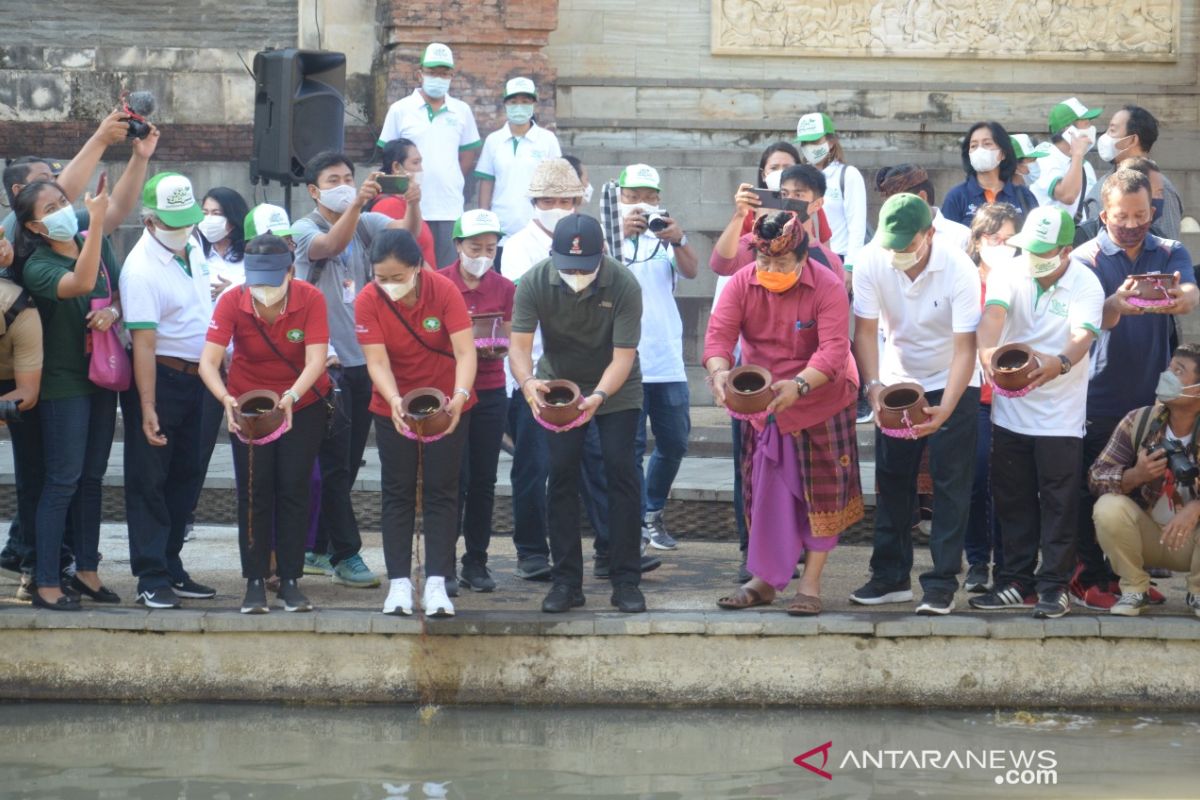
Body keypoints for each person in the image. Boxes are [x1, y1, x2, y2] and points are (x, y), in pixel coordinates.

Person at [704, 211, 861, 614]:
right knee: (765, 495)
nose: (770, 270)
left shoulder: (826, 285)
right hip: (764, 405)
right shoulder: (742, 281)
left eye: (781, 263)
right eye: (764, 262)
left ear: (803, 258)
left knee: (820, 500)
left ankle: (809, 583)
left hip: (820, 401)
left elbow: (833, 350)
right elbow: (718, 336)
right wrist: (720, 373)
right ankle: (765, 580)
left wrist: (801, 385)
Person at [1070, 168, 1198, 610]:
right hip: (1096, 395)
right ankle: (1090, 577)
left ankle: (1131, 575)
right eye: (1122, 216)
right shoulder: (1084, 258)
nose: (1131, 224)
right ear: (1104, 214)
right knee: (1094, 488)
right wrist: (1114, 305)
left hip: (1154, 400)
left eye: (1141, 214)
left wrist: (1181, 296)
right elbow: (1085, 319)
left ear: (1153, 211)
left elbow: (1188, 290)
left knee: (1144, 487)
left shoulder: (1168, 249)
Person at [850, 194, 982, 615]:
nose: (898, 253)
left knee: (949, 483)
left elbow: (966, 348)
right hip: (898, 376)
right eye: (892, 244)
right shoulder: (872, 259)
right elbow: (866, 332)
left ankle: (941, 583)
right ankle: (889, 576)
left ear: (930, 235)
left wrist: (948, 407)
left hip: (953, 379)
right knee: (892, 479)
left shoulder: (959, 267)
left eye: (907, 244)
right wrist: (872, 385)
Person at [509, 214, 647, 614]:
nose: (574, 275)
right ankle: (566, 581)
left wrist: (599, 397)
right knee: (562, 474)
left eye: (583, 268)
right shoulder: (535, 281)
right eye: (566, 267)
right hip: (558, 384)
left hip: (616, 389)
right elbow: (519, 348)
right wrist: (529, 384)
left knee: (621, 472)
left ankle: (626, 579)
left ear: (601, 255)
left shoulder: (623, 283)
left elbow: (624, 357)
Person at [294, 150, 420, 589]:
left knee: (345, 464)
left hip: (362, 360)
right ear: (314, 190)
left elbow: (404, 243)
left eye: (349, 177)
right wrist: (356, 204)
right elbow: (329, 246)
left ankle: (318, 548)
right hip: (323, 364)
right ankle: (347, 554)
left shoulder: (368, 226)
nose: (345, 183)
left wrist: (414, 203)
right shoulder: (304, 228)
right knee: (332, 464)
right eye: (334, 179)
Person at [971, 207, 1103, 619]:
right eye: (1029, 248)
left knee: (1060, 502)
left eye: (1044, 251)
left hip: (1061, 414)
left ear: (1066, 250)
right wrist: (988, 353)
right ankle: (1015, 581)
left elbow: (1082, 336)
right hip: (1011, 411)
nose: (1034, 257)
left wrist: (1059, 363)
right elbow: (993, 315)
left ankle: (1054, 586)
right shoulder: (1010, 272)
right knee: (1013, 500)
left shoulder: (1087, 283)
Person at [199, 234, 331, 613]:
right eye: (257, 283)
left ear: (291, 271)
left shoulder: (310, 298)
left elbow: (315, 359)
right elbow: (208, 361)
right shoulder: (232, 301)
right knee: (254, 492)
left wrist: (290, 396)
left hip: (300, 404)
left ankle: (290, 578)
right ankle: (254, 580)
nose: (264, 291)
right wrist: (225, 398)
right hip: (249, 406)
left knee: (293, 488)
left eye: (273, 282)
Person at [358, 229, 477, 617]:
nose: (389, 285)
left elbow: (465, 351)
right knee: (398, 492)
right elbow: (376, 360)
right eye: (382, 277)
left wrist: (458, 398)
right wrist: (393, 400)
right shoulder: (367, 300)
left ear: (417, 267)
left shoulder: (443, 291)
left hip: (446, 402)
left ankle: (438, 583)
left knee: (443, 491)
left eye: (397, 276)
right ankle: (399, 585)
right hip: (394, 405)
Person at [119, 172, 218, 609]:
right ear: (149, 220)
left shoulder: (192, 246)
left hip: (202, 378)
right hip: (162, 377)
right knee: (150, 479)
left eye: (188, 221)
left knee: (187, 476)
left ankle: (172, 563)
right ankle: (150, 573)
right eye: (173, 223)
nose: (183, 230)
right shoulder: (140, 269)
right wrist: (147, 406)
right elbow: (143, 342)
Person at [500, 158, 586, 580]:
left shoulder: (588, 241)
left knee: (588, 464)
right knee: (532, 465)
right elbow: (530, 309)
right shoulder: (518, 246)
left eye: (566, 200)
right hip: (532, 369)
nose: (557, 206)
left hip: (582, 370)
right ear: (535, 202)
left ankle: (600, 547)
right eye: (549, 199)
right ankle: (531, 549)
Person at [608, 163, 698, 550]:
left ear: (658, 198)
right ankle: (631, 523)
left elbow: (694, 272)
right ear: (619, 197)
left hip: (667, 360)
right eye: (632, 196)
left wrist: (678, 240)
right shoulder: (606, 238)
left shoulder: (666, 235)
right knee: (629, 446)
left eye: (648, 196)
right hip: (625, 361)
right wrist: (618, 235)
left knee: (675, 441)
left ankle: (652, 511)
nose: (641, 204)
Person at [1089, 344, 1200, 618]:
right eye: (1169, 367)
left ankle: (1198, 592)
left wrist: (1195, 508)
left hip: (1194, 542)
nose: (1167, 375)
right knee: (1108, 507)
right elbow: (1096, 476)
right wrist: (1134, 476)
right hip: (1147, 535)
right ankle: (1134, 589)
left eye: (1179, 371)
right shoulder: (1138, 420)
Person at [437, 210, 514, 593]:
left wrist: (499, 347)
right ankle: (443, 562)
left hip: (491, 390)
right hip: (449, 392)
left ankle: (476, 561)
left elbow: (514, 335)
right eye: (475, 247)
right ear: (457, 246)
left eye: (490, 247)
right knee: (452, 478)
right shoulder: (437, 283)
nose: (483, 254)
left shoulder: (504, 287)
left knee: (484, 478)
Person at [376, 43, 482, 267]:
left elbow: (468, 154)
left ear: (452, 76)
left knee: (445, 275)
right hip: (407, 207)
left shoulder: (461, 110)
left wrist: (449, 176)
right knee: (407, 268)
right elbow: (388, 157)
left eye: (444, 73)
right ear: (420, 74)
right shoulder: (400, 109)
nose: (438, 78)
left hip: (448, 205)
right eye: (432, 72)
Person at [962, 202, 1021, 593]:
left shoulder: (1023, 278)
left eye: (1008, 239)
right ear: (978, 239)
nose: (1000, 245)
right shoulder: (964, 279)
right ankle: (977, 561)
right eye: (992, 237)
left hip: (1016, 394)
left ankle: (1009, 564)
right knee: (977, 476)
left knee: (1010, 481)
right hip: (972, 394)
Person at [2, 109, 131, 240]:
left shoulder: (64, 225)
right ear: (18, 190)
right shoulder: (13, 230)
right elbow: (65, 190)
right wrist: (100, 139)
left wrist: (140, 156)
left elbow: (116, 208)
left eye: (54, 179)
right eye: (43, 181)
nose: (53, 186)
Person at [475, 77, 562, 266]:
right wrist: (483, 221)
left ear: (533, 104)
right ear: (505, 104)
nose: (519, 107)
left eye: (525, 101)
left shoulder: (547, 140)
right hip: (501, 229)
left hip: (538, 229)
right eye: (513, 102)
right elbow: (487, 182)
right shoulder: (494, 140)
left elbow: (556, 184)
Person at [0, 267, 43, 600]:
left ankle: (32, 563)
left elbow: (27, 392)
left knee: (33, 473)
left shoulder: (19, 307)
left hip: (18, 376)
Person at [1084, 105, 1183, 238]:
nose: (1105, 136)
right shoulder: (1104, 182)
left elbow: (1168, 243)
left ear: (1132, 140)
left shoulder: (1159, 188)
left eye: (1112, 130)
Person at [793, 112, 867, 261]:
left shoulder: (848, 175)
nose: (810, 147)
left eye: (815, 141)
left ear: (831, 141)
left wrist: (850, 265)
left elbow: (857, 225)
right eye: (805, 143)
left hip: (839, 256)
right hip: (804, 257)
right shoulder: (797, 177)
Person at [942, 121, 1040, 225]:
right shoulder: (957, 196)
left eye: (987, 144)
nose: (980, 150)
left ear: (1003, 153)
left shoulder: (1024, 196)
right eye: (974, 146)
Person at [1031, 97, 1101, 223]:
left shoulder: (1086, 166)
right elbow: (1067, 195)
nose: (1091, 129)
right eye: (1086, 124)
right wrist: (1077, 154)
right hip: (1050, 238)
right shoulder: (1044, 157)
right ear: (1068, 130)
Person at [371, 138, 437, 269]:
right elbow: (399, 253)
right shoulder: (388, 205)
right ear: (396, 167)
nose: (420, 169)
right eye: (415, 163)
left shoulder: (407, 203)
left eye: (420, 162)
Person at [874, 164, 970, 252]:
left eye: (898, 206)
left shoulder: (960, 238)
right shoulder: (883, 238)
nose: (892, 213)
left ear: (922, 198)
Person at [198, 187, 249, 296]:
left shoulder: (250, 252)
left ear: (233, 217)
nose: (209, 219)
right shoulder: (195, 250)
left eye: (216, 214)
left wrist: (234, 289)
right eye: (205, 213)